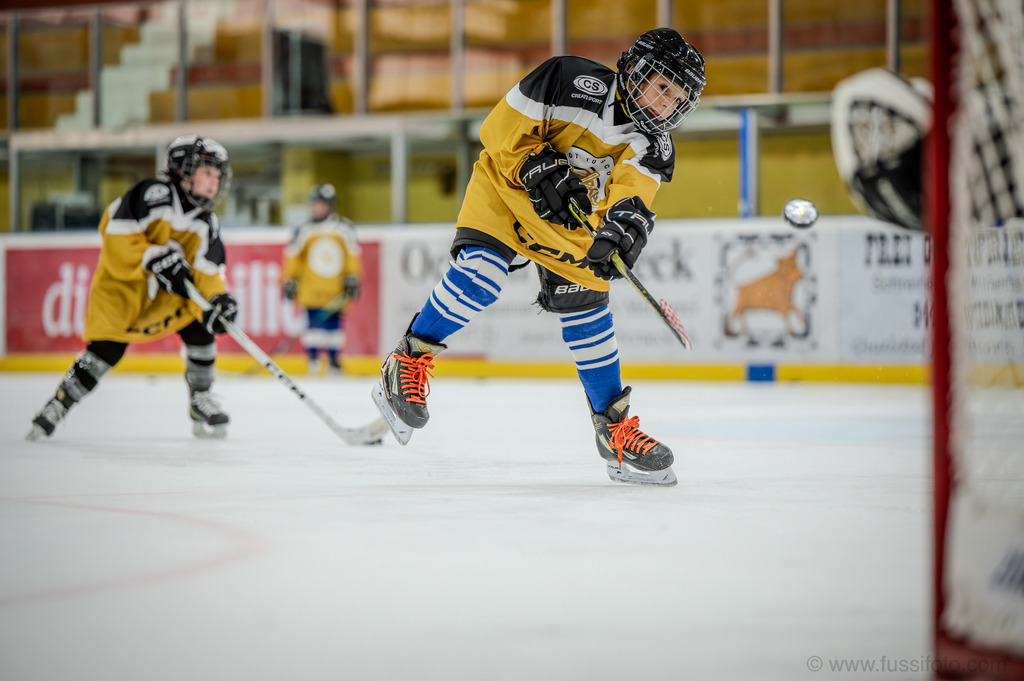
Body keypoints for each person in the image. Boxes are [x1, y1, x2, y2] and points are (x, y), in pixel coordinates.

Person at [371, 27, 706, 486]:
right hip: (506, 193)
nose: (667, 104)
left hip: (566, 224)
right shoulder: (566, 78)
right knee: (481, 277)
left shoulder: (656, 147)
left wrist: (623, 230)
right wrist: (537, 166)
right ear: (635, 70)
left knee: (589, 309)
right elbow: (498, 131)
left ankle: (613, 429)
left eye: (678, 97)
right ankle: (408, 358)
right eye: (663, 87)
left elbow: (633, 197)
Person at [27, 135, 239, 441]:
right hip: (123, 292)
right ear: (181, 171)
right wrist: (153, 257)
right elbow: (116, 235)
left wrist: (217, 299)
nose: (213, 183)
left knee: (200, 326)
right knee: (105, 353)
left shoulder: (207, 222)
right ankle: (59, 404)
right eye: (206, 173)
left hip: (165, 299)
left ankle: (200, 397)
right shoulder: (155, 194)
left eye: (218, 176)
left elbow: (208, 272)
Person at [281, 183, 363, 375]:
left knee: (334, 326)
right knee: (313, 326)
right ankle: (313, 359)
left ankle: (334, 360)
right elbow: (293, 257)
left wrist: (352, 278)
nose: (317, 208)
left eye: (322, 204)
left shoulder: (343, 229)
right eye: (315, 203)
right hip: (311, 288)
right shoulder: (303, 230)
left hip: (335, 289)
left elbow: (352, 256)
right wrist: (290, 279)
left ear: (331, 205)